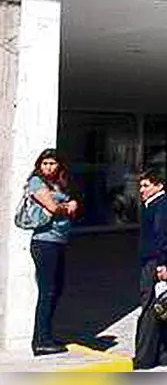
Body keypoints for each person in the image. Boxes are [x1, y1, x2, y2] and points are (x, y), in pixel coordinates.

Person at [25, 148, 80, 356]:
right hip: (44, 242)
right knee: (47, 291)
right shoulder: (37, 183)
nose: (48, 167)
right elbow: (52, 207)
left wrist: (68, 203)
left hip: (59, 241)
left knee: (57, 289)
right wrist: (69, 205)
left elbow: (65, 204)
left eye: (52, 163)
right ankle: (40, 340)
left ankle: (46, 335)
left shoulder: (60, 183)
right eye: (45, 163)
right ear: (39, 165)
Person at [132, 169, 167, 371]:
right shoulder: (155, 204)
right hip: (159, 260)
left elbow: (163, 236)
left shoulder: (161, 205)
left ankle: (144, 357)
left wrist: (162, 263)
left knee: (151, 306)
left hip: (156, 262)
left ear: (158, 186)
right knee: (163, 307)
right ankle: (163, 353)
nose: (142, 190)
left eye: (146, 185)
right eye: (140, 186)